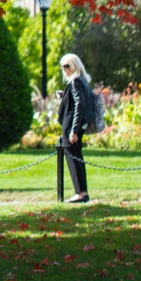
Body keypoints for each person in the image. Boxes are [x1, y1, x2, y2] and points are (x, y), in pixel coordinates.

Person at [56, 53, 92, 203]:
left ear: (74, 66)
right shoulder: (81, 80)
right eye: (62, 67)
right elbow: (77, 101)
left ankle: (80, 193)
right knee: (76, 156)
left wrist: (74, 131)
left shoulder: (76, 81)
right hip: (75, 125)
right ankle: (82, 192)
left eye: (67, 66)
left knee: (73, 157)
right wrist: (64, 96)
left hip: (72, 126)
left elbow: (79, 106)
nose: (64, 69)